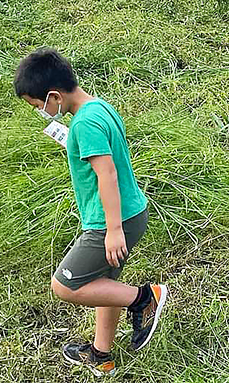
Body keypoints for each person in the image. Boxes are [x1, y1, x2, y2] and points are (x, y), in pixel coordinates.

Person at [14, 48, 167, 377]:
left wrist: (112, 230)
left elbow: (107, 174)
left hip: (111, 220)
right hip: (131, 211)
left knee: (64, 285)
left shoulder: (85, 125)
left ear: (53, 95)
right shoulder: (98, 109)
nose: (41, 111)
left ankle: (144, 299)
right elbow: (101, 154)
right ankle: (101, 354)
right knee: (102, 283)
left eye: (38, 105)